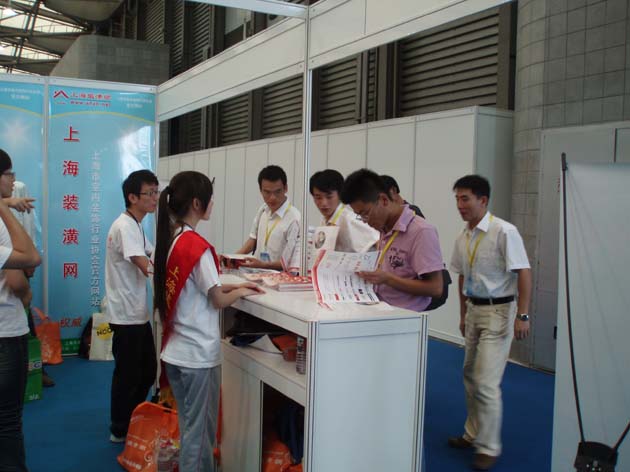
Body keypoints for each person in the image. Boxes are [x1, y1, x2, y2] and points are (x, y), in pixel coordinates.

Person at [153, 171, 263, 471]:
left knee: (190, 427)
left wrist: (234, 286)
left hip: (175, 352)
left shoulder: (174, 240)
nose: (213, 204)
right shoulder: (196, 246)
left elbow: (201, 288)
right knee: (200, 435)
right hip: (198, 357)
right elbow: (216, 299)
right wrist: (241, 290)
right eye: (210, 199)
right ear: (197, 203)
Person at [448, 175, 531, 471]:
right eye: (457, 199)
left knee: (485, 382)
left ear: (483, 200)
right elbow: (461, 276)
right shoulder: (463, 236)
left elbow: (523, 271)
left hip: (500, 311)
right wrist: (462, 315)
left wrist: (523, 315)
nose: (460, 205)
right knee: (470, 375)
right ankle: (472, 434)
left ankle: (489, 446)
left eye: (465, 199)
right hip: (473, 310)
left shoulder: (504, 231)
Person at [105, 169, 159, 442]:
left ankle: (132, 420)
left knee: (147, 371)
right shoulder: (125, 226)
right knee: (128, 374)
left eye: (156, 192)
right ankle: (120, 428)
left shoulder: (136, 224)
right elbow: (145, 264)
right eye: (150, 193)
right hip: (126, 314)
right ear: (132, 197)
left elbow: (152, 253)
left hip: (136, 313)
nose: (155, 198)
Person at [340, 169, 444, 311]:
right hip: (381, 309)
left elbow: (436, 288)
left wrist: (388, 279)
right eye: (359, 215)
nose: (364, 220)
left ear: (383, 200)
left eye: (366, 213)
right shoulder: (384, 227)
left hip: (405, 315)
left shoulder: (421, 231)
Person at [0, 149, 42, 472]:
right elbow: (27, 262)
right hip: (5, 332)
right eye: (9, 173)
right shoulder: (2, 222)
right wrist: (27, 296)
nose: (14, 180)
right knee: (8, 421)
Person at [234, 165, 301, 271]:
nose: (272, 197)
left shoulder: (294, 219)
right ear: (260, 190)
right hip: (255, 273)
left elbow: (289, 262)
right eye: (267, 192)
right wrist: (232, 258)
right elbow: (252, 241)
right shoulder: (263, 210)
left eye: (277, 192)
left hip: (278, 277)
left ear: (286, 188)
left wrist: (263, 265)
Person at [309, 169, 378, 252]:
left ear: (340, 195)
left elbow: (377, 241)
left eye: (329, 197)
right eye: (318, 198)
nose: (324, 203)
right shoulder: (324, 220)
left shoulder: (350, 219)